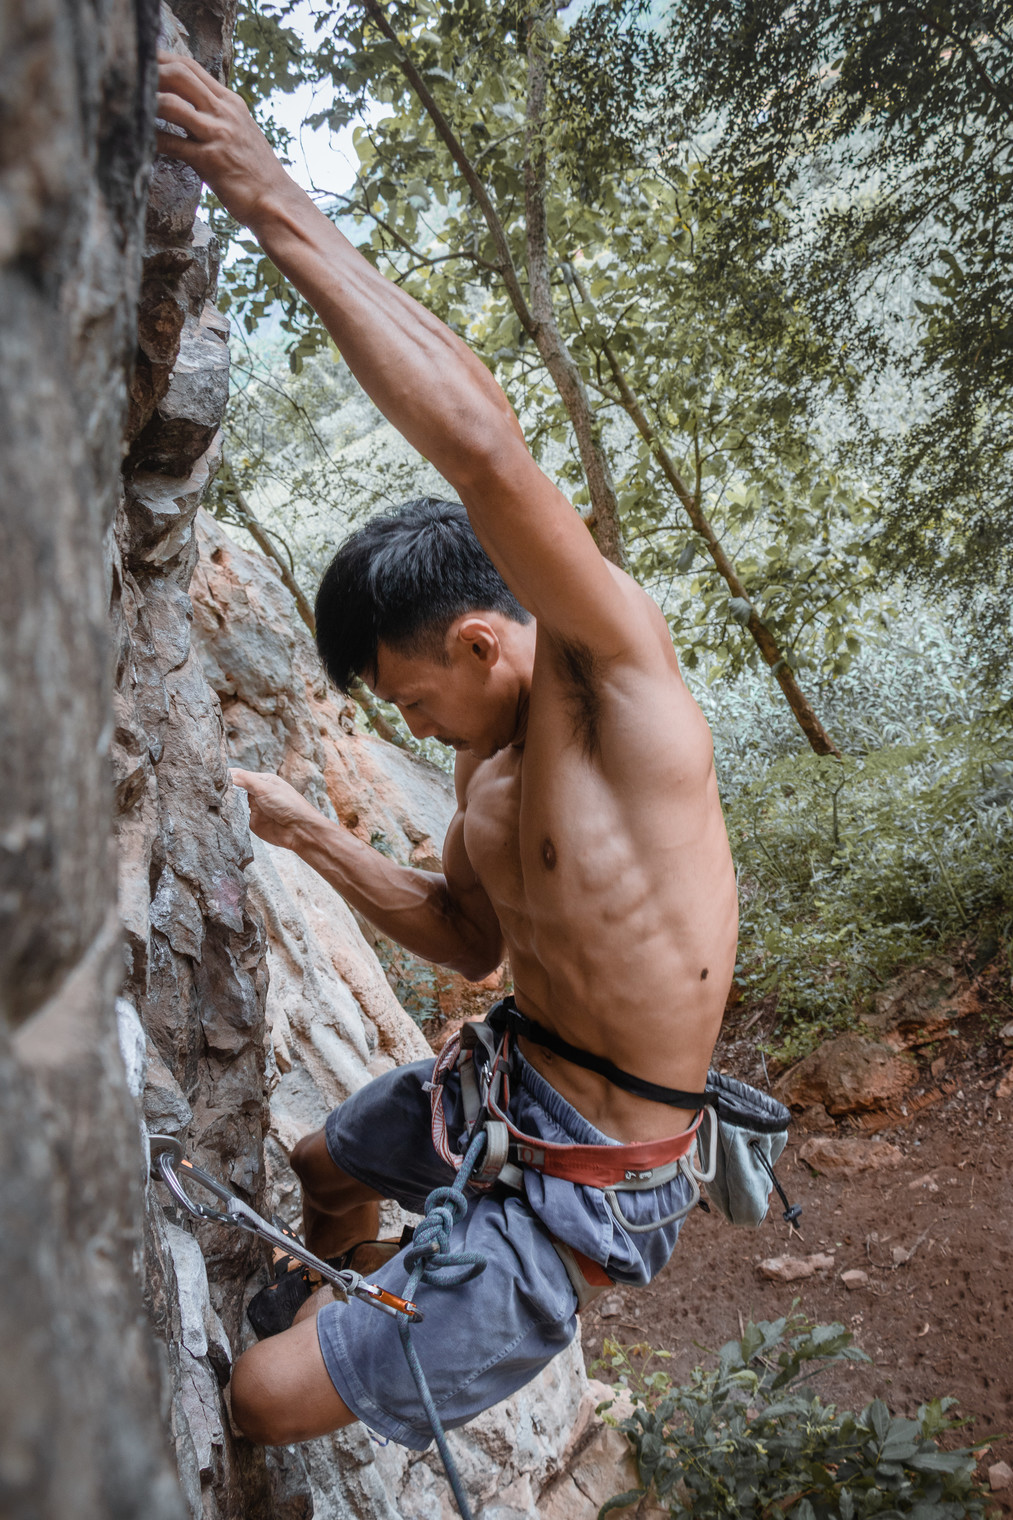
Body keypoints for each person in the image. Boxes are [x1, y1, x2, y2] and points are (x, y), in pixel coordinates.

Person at [155, 52, 738, 1453]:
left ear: (482, 642)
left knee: (263, 1399)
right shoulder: (487, 763)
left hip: (592, 1180)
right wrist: (307, 831)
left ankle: (354, 1339)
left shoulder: (615, 682)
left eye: (412, 702)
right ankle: (355, 1287)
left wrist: (267, 193)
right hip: (508, 1084)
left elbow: (486, 451)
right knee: (321, 1162)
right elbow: (473, 942)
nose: (409, 728)